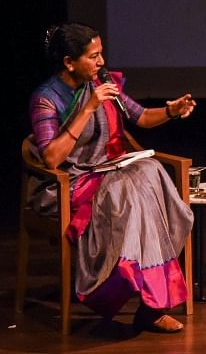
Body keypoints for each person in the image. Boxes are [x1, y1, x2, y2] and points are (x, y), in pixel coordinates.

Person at [27, 23, 197, 333]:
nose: (101, 62)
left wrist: (171, 111)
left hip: (105, 175)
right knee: (129, 192)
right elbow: (51, 157)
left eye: (101, 54)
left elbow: (141, 117)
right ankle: (120, 291)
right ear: (69, 62)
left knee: (151, 171)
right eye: (93, 56)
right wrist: (89, 107)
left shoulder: (102, 83)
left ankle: (152, 304)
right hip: (68, 185)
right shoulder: (46, 99)